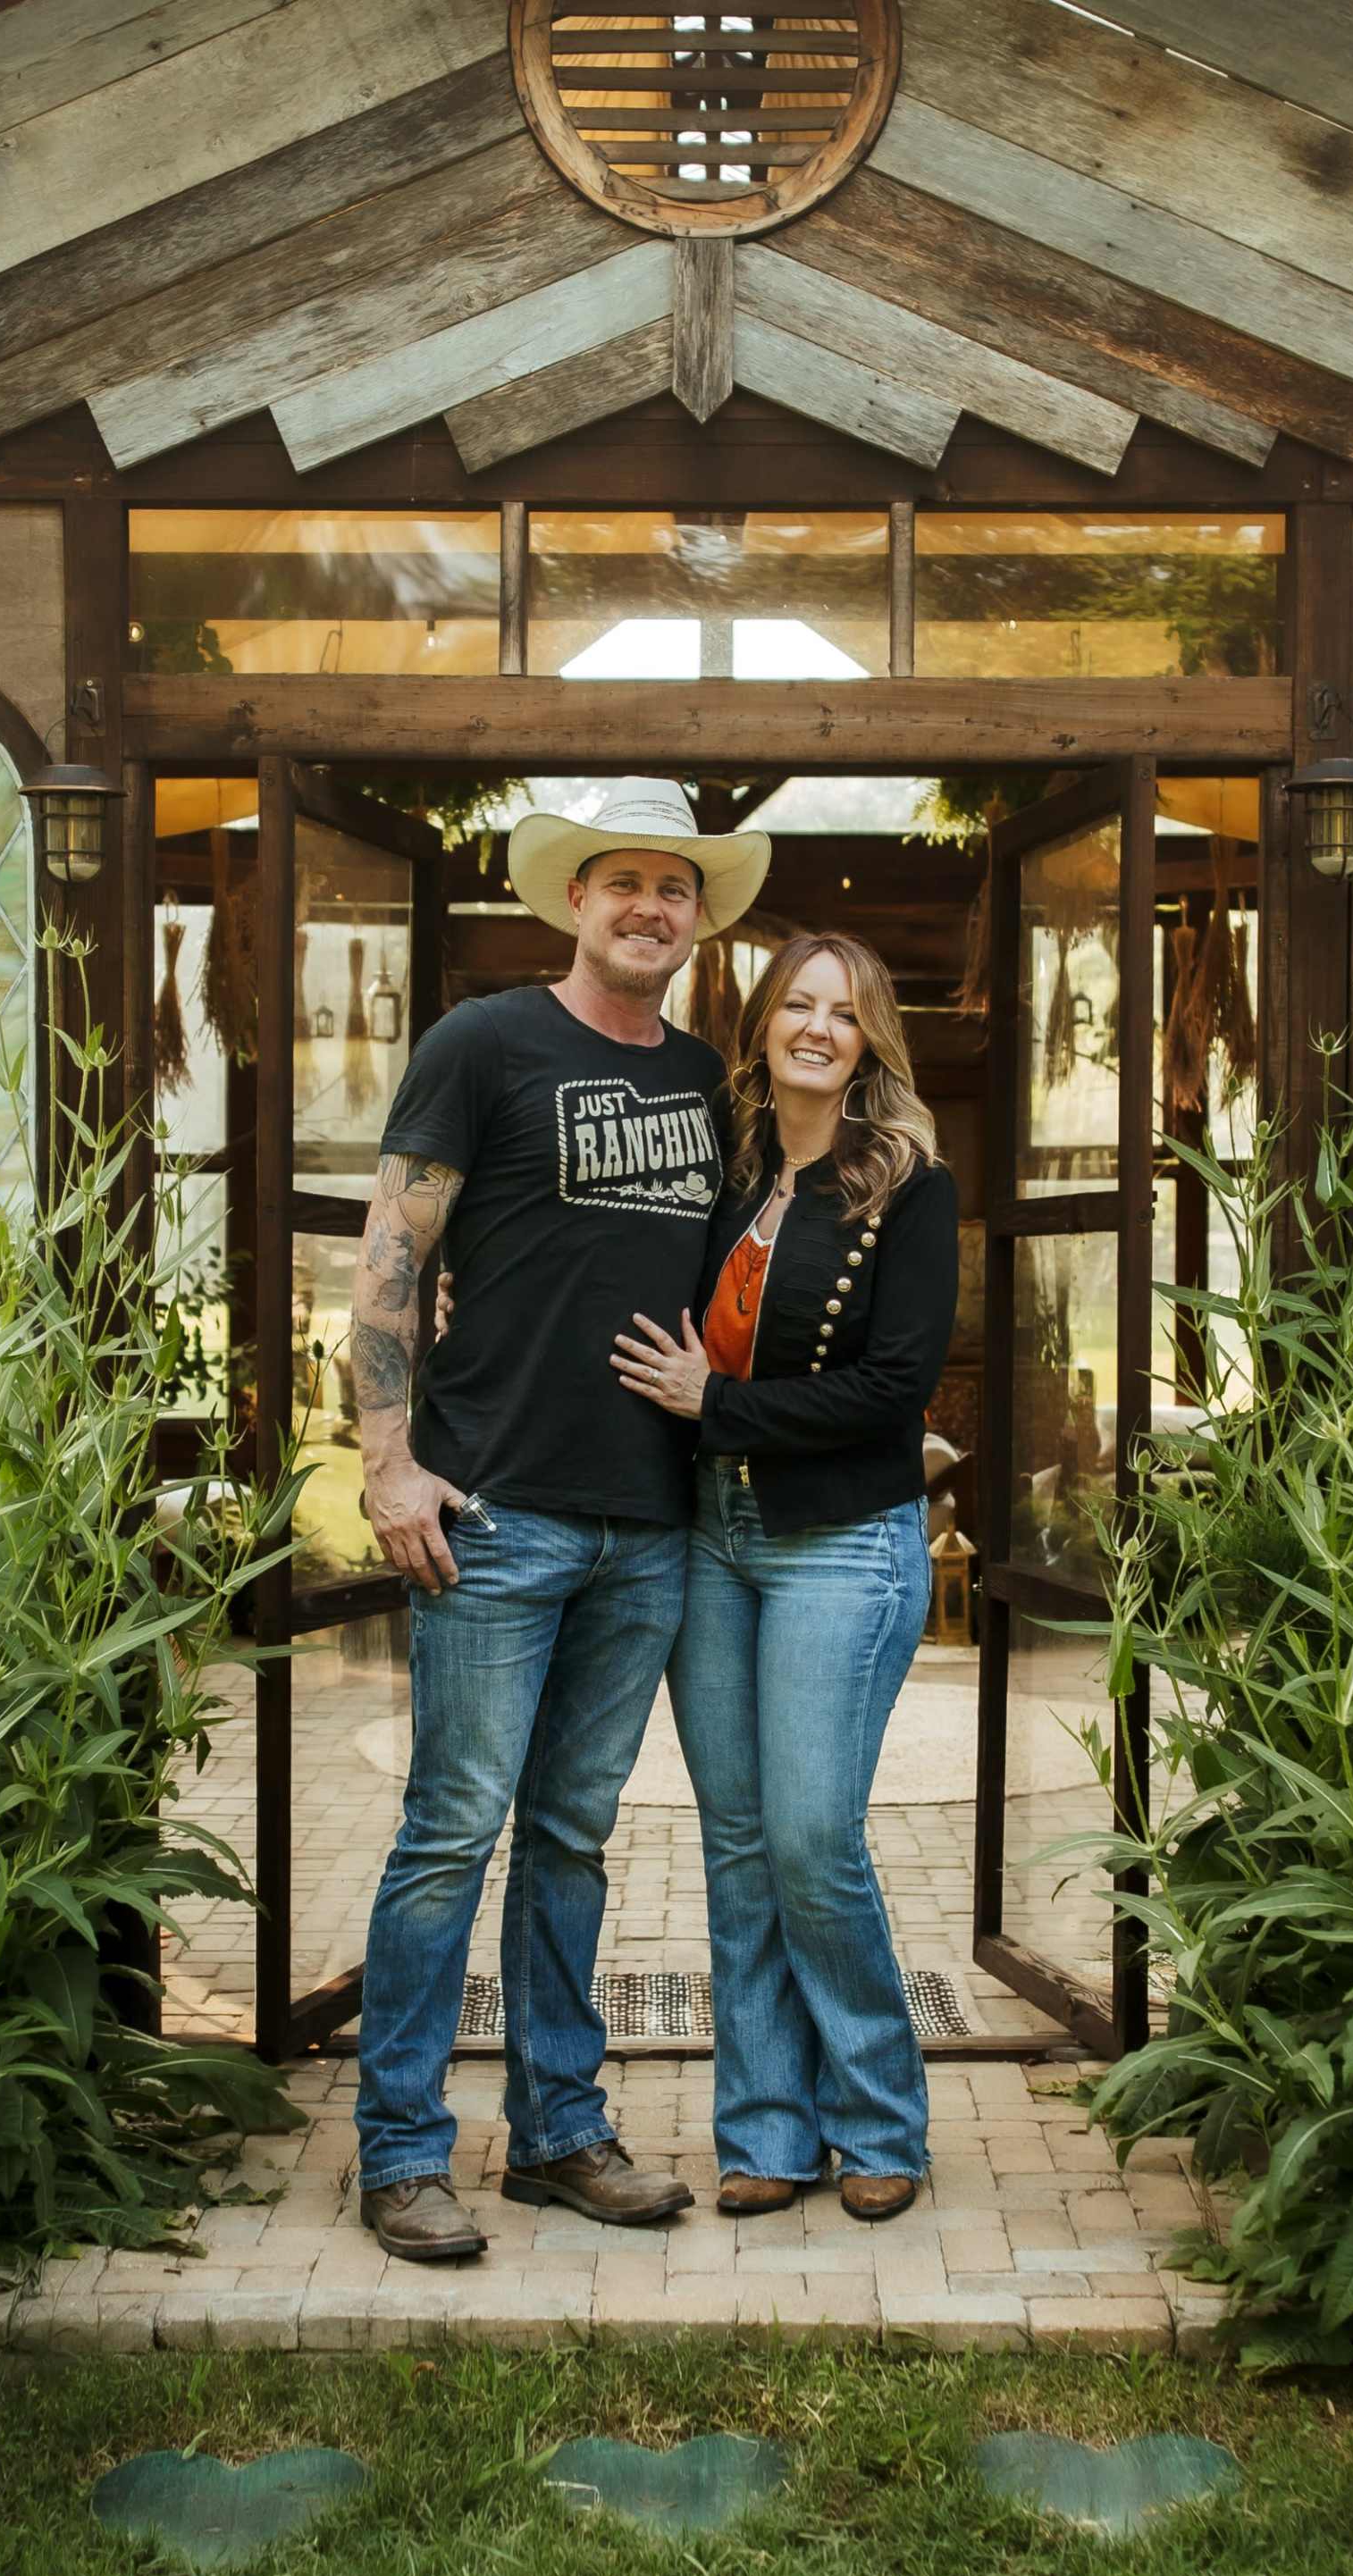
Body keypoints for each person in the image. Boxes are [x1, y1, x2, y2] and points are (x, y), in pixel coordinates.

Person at [345, 781, 770, 2265]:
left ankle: (557, 2135)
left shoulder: (712, 1079)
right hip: (495, 1511)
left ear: (696, 917)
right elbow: (395, 1250)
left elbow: (740, 1284)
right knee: (450, 1830)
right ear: (574, 902)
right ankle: (400, 2153)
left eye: (675, 888)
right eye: (623, 884)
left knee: (575, 1837)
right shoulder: (484, 1043)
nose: (649, 907)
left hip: (647, 1526)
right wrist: (387, 1458)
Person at [610, 931, 957, 2223]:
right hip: (715, 1538)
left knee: (814, 1840)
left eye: (846, 1012)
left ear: (871, 1041)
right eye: (798, 1005)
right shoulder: (728, 1166)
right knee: (741, 1844)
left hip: (841, 1545)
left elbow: (893, 1393)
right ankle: (764, 2129)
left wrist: (722, 1403)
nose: (818, 1027)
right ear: (763, 1024)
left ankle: (878, 2120)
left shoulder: (911, 1189)